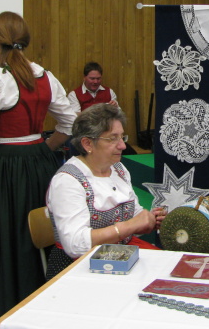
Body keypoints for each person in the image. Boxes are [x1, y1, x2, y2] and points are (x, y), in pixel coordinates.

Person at [0, 11, 77, 324]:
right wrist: (44, 147)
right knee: (41, 231)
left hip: (7, 163)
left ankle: (9, 306)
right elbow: (69, 122)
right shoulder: (45, 76)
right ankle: (44, 304)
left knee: (8, 235)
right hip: (40, 160)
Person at [46, 103, 165, 279]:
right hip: (80, 267)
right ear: (87, 143)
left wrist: (148, 220)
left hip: (121, 257)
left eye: (122, 137)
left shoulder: (118, 169)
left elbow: (133, 214)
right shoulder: (68, 181)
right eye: (113, 138)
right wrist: (130, 226)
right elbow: (75, 245)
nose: (122, 145)